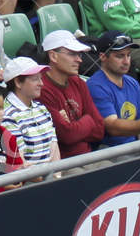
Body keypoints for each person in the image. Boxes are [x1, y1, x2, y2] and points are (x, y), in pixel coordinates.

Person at [36, 28, 106, 158]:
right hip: (65, 164)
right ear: (53, 56)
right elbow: (66, 136)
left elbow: (99, 130)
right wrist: (88, 120)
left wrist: (75, 127)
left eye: (79, 55)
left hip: (88, 156)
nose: (79, 60)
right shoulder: (42, 89)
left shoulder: (77, 82)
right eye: (73, 54)